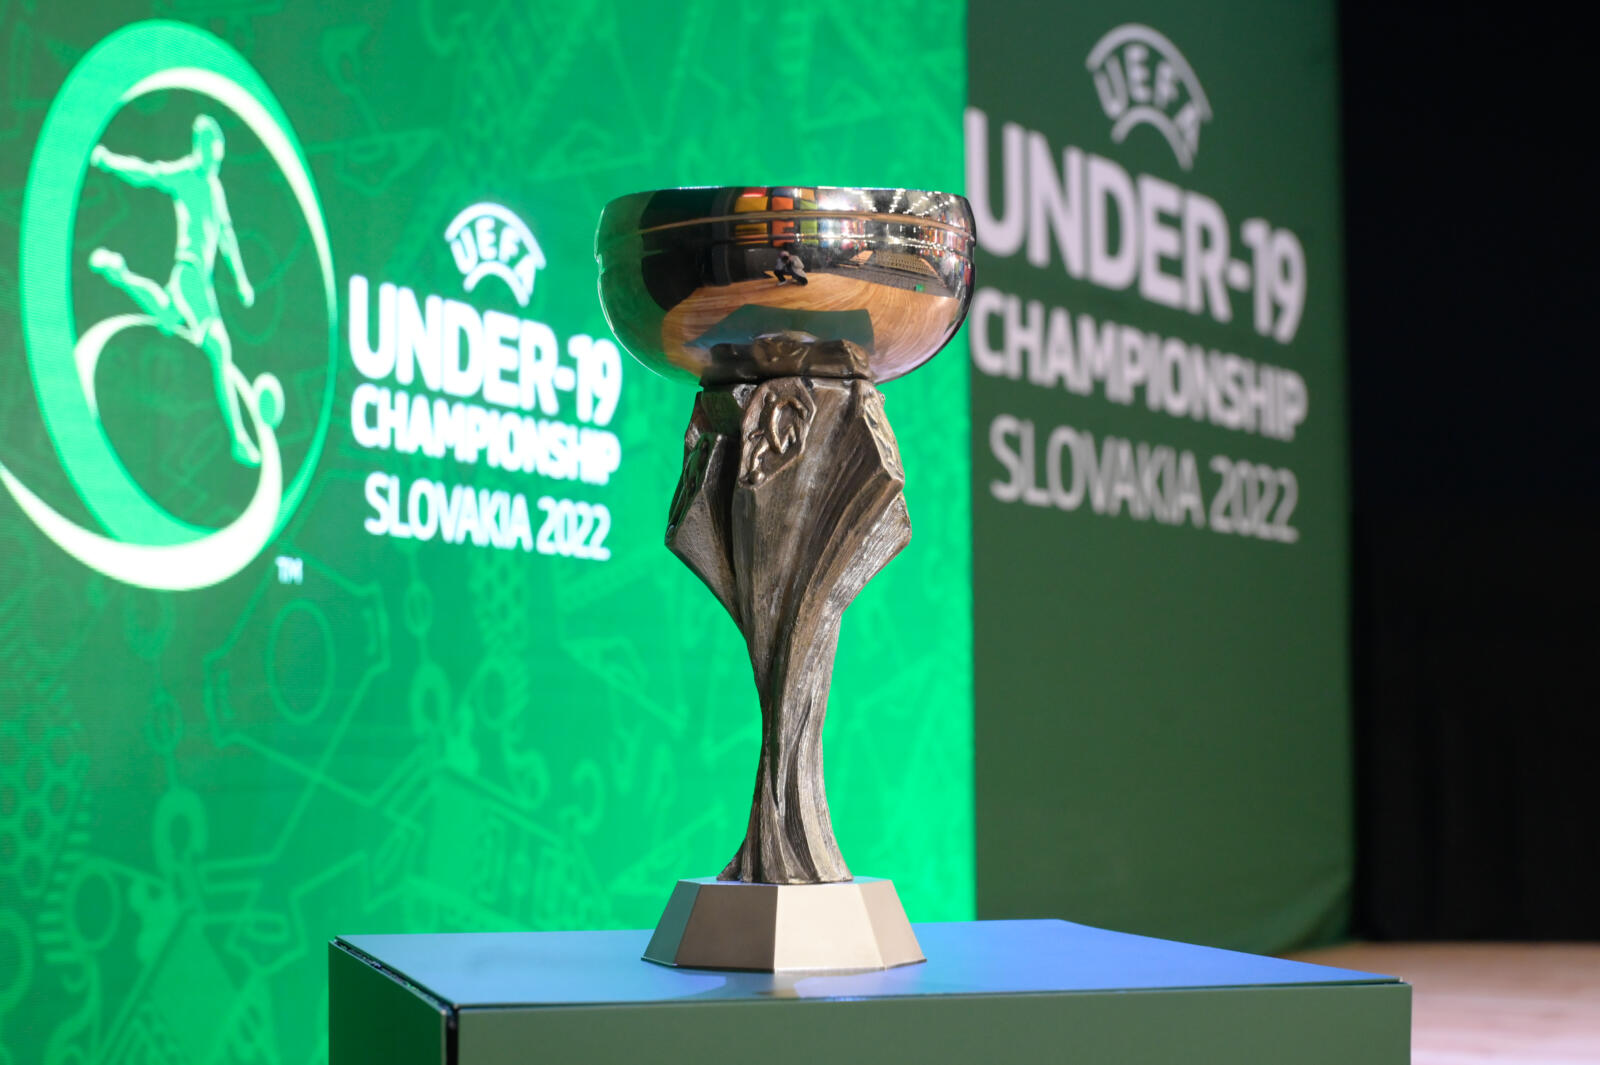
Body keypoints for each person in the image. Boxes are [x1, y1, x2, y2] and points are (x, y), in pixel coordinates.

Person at [86, 114, 266, 465]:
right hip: (189, 273)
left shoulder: (215, 187)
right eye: (212, 156)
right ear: (201, 148)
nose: (215, 164)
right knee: (220, 347)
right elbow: (147, 173)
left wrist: (242, 279)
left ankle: (118, 272)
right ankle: (239, 439)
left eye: (219, 160)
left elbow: (226, 237)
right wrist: (108, 161)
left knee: (167, 315)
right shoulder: (185, 174)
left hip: (198, 279)